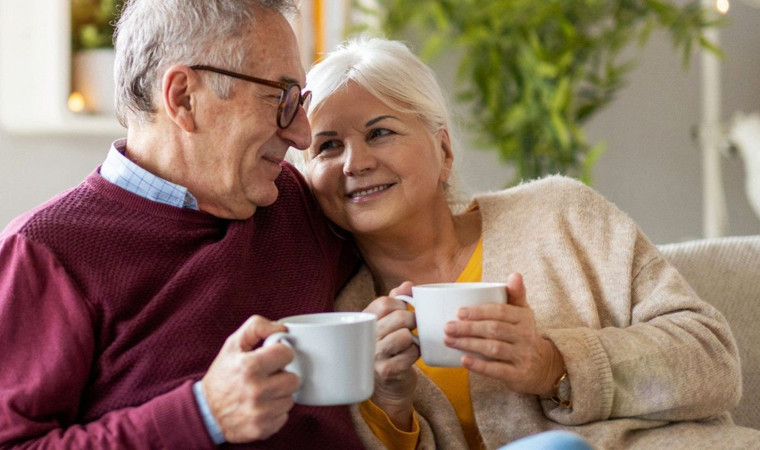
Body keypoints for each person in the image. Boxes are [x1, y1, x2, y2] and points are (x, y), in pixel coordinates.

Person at [292, 37, 760, 449]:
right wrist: (389, 403)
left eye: (380, 132)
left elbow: (713, 358)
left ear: (444, 151)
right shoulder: (342, 319)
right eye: (328, 146)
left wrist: (555, 365)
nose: (354, 162)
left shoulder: (560, 214)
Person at [0, 1, 364, 447]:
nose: (302, 135)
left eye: (299, 102)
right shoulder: (44, 254)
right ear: (183, 98)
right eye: (281, 98)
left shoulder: (294, 200)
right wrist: (203, 413)